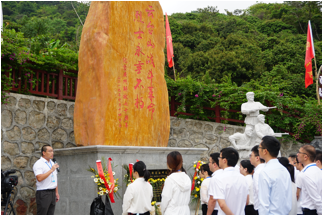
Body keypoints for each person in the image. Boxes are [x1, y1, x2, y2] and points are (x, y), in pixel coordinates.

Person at [258, 136, 292, 215]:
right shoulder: (284, 170)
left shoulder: (265, 172)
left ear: (265, 151)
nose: (258, 149)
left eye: (259, 147)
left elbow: (263, 203)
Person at [210, 148, 249, 215]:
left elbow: (222, 204)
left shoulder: (219, 178)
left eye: (220, 157)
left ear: (224, 160)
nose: (219, 159)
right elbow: (247, 201)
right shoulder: (243, 178)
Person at [33, 144, 60, 215]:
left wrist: (56, 192)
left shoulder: (52, 162)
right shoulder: (39, 164)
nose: (52, 153)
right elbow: (39, 178)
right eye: (50, 151)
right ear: (44, 153)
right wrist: (51, 170)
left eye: (53, 151)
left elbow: (55, 178)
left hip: (52, 193)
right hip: (43, 193)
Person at [297, 145, 322, 215]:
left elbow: (315, 197)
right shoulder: (318, 170)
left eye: (299, 152)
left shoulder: (307, 174)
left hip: (311, 211)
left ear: (305, 157)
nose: (297, 154)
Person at [249, 145, 265, 214]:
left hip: (261, 209)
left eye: (251, 155)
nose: (250, 158)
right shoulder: (265, 168)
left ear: (257, 158)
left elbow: (260, 193)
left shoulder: (258, 172)